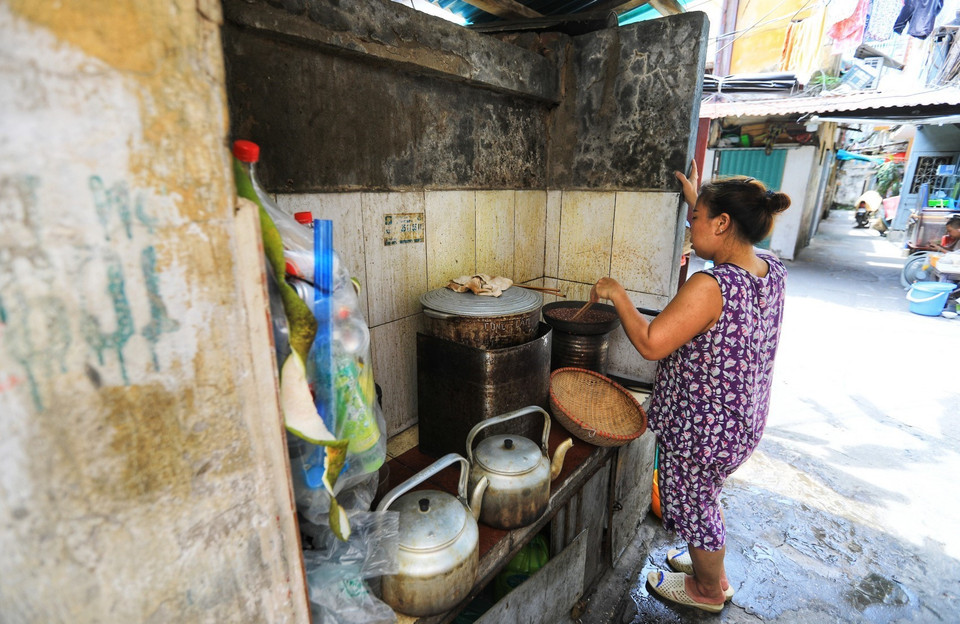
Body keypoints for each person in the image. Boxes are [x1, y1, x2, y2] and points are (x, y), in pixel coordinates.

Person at [586, 164, 790, 613]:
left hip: (703, 430)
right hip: (741, 421)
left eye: (695, 216)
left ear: (721, 224)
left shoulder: (710, 286)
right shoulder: (769, 268)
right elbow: (730, 242)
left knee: (693, 504)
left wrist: (617, 292)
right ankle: (706, 567)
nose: (689, 223)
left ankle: (707, 590)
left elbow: (651, 343)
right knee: (706, 495)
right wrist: (699, 197)